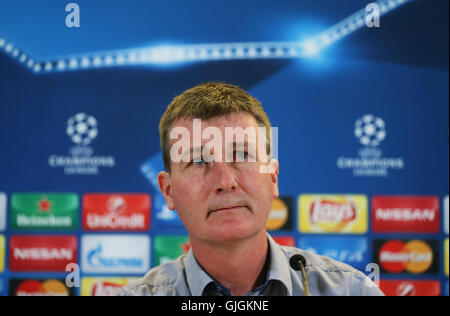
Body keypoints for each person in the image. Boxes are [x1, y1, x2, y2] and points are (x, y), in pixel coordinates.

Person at [119, 82, 384, 296]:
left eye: (243, 155)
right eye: (198, 161)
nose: (225, 181)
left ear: (273, 177)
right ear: (168, 191)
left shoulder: (353, 291)